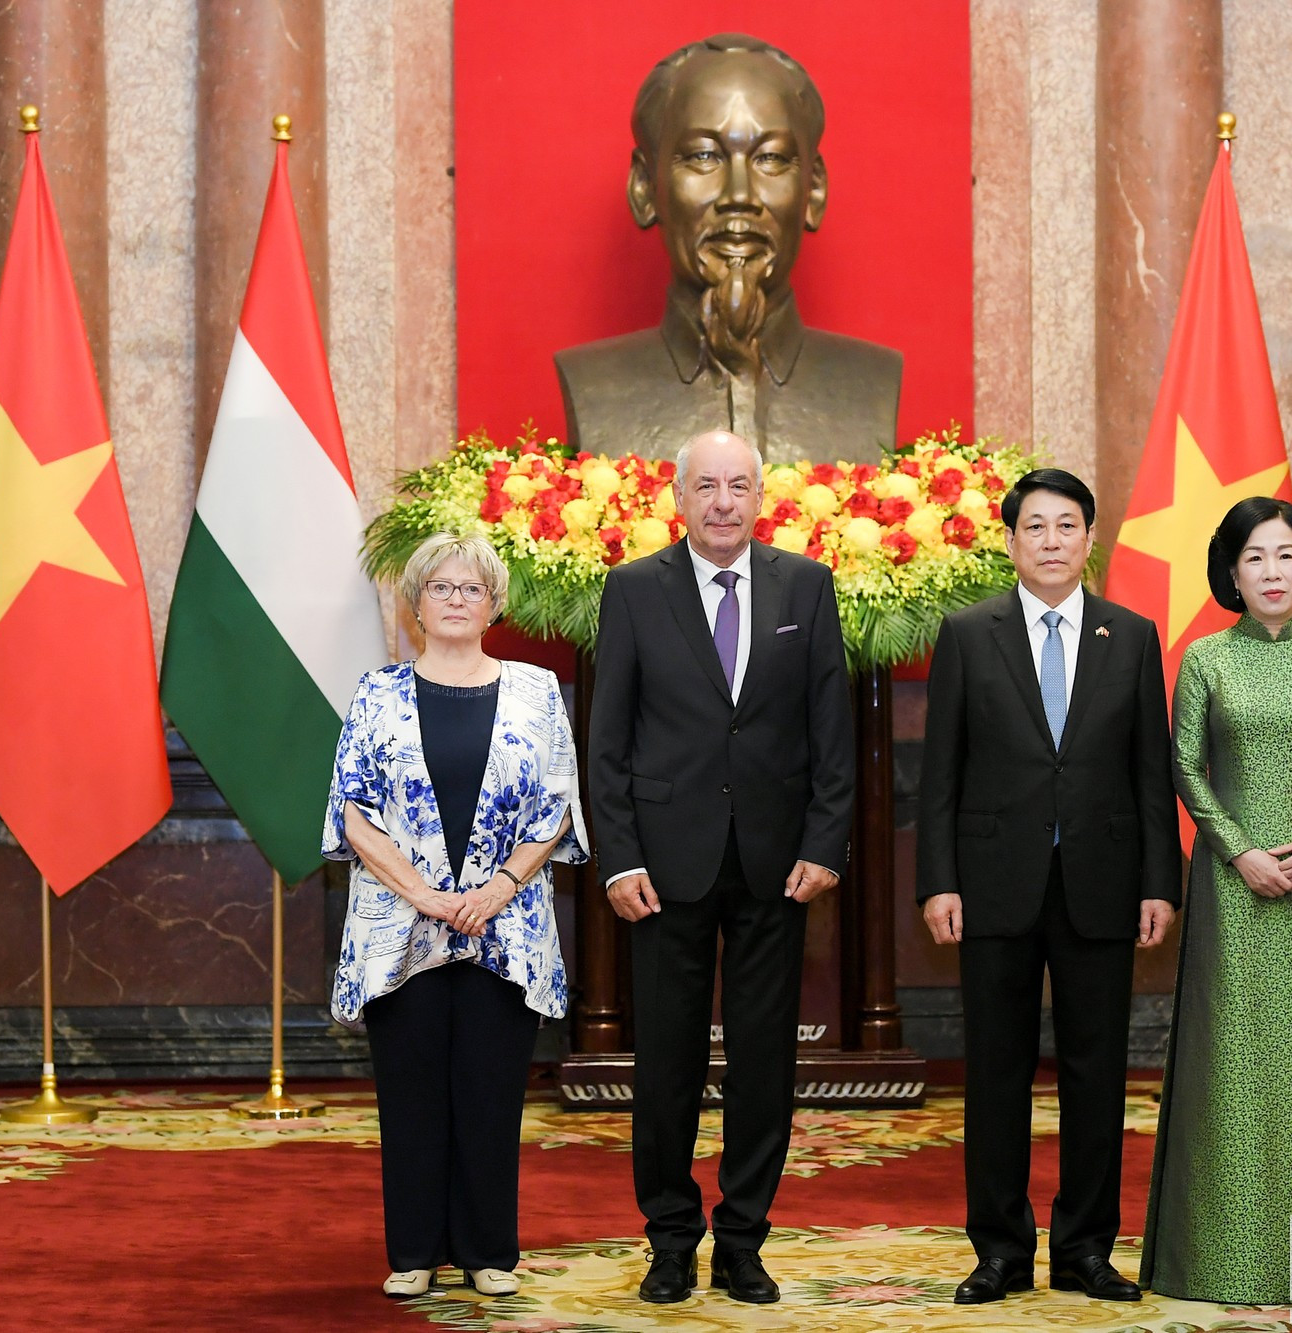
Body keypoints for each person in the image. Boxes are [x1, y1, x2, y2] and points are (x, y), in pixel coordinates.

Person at [588, 428, 855, 1305]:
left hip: (778, 865)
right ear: (678, 496)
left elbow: (832, 730)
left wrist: (825, 841)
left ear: (760, 495)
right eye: (706, 485)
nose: (723, 501)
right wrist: (618, 857)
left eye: (738, 485)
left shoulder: (805, 586)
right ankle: (670, 1237)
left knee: (764, 1060)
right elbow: (609, 741)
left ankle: (744, 1238)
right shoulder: (632, 590)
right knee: (664, 1061)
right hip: (664, 869)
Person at [916, 467, 1181, 1305]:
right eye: (1037, 527)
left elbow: (1151, 773)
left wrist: (1159, 884)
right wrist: (937, 882)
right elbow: (941, 775)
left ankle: (1086, 1248)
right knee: (995, 1073)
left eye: (1068, 526)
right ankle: (998, 1248)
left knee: (1097, 1074)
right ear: (1010, 541)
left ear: (1090, 538)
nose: (1053, 541)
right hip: (993, 886)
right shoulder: (968, 633)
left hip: (1102, 884)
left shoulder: (1130, 635)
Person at [324, 533, 587, 1301]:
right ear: (415, 603)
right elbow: (354, 813)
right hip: (399, 928)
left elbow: (557, 806)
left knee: (490, 1091)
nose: (456, 601)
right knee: (409, 1093)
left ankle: (487, 1251)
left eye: (471, 589)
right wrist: (427, 895)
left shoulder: (538, 691)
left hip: (504, 928)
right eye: (440, 588)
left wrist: (498, 889)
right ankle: (413, 1250)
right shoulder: (375, 692)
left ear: (494, 603)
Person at [1140, 497, 1292, 1304]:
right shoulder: (1208, 659)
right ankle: (1221, 1258)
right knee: (1230, 1060)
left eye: (1286, 555)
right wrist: (1239, 848)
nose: (1273, 571)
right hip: (1229, 883)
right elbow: (1185, 768)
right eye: (1255, 557)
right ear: (1232, 573)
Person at [554, 33, 902, 464]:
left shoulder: (874, 382)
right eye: (704, 156)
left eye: (770, 158)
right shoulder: (594, 386)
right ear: (645, 188)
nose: (740, 194)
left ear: (812, 191)